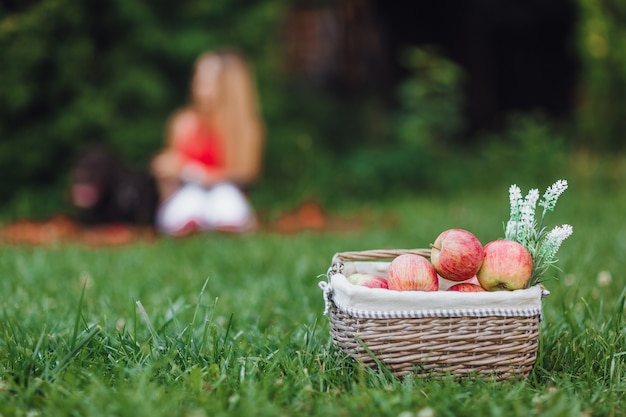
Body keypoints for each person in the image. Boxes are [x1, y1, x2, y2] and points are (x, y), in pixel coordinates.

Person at [151, 50, 265, 236]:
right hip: (187, 192)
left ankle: (224, 225)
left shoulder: (243, 128)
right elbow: (171, 175)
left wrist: (190, 172)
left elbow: (245, 174)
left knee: (225, 197)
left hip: (223, 193)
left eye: (204, 79)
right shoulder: (182, 122)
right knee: (191, 201)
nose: (195, 84)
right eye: (196, 77)